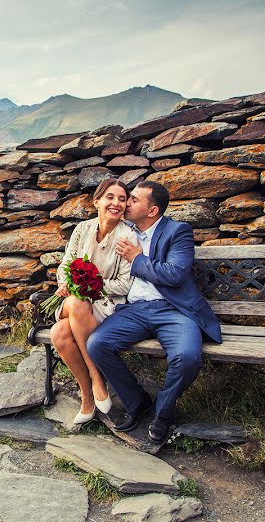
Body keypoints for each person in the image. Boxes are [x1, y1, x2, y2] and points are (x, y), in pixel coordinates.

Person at [86, 180, 222, 443]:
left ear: (152, 211)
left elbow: (174, 274)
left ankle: (163, 412)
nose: (126, 203)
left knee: (187, 357)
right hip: (135, 310)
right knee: (97, 343)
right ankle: (137, 403)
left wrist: (137, 259)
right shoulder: (125, 230)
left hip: (174, 311)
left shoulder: (177, 231)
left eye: (133, 200)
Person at [50, 178, 139, 426]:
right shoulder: (82, 229)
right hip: (76, 301)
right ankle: (92, 383)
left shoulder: (127, 236)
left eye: (122, 199)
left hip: (106, 303)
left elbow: (124, 284)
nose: (116, 203)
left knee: (59, 332)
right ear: (97, 201)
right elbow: (66, 264)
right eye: (110, 197)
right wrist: (65, 282)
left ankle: (90, 391)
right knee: (77, 303)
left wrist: (90, 287)